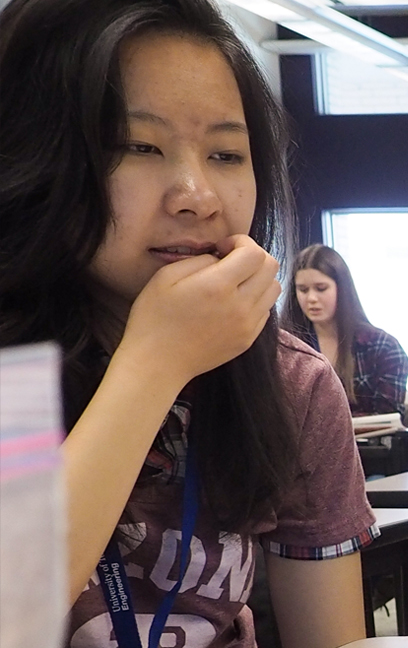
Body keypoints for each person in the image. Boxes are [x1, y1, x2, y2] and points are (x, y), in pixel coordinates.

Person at [0, 0, 377, 646]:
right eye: (139, 146)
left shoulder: (293, 384)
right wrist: (155, 362)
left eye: (227, 155)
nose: (197, 196)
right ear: (36, 157)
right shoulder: (12, 370)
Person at [283, 244, 408, 419]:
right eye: (303, 290)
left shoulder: (384, 348)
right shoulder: (284, 347)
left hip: (365, 445)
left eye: (321, 289)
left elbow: (387, 418)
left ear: (342, 289)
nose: (311, 298)